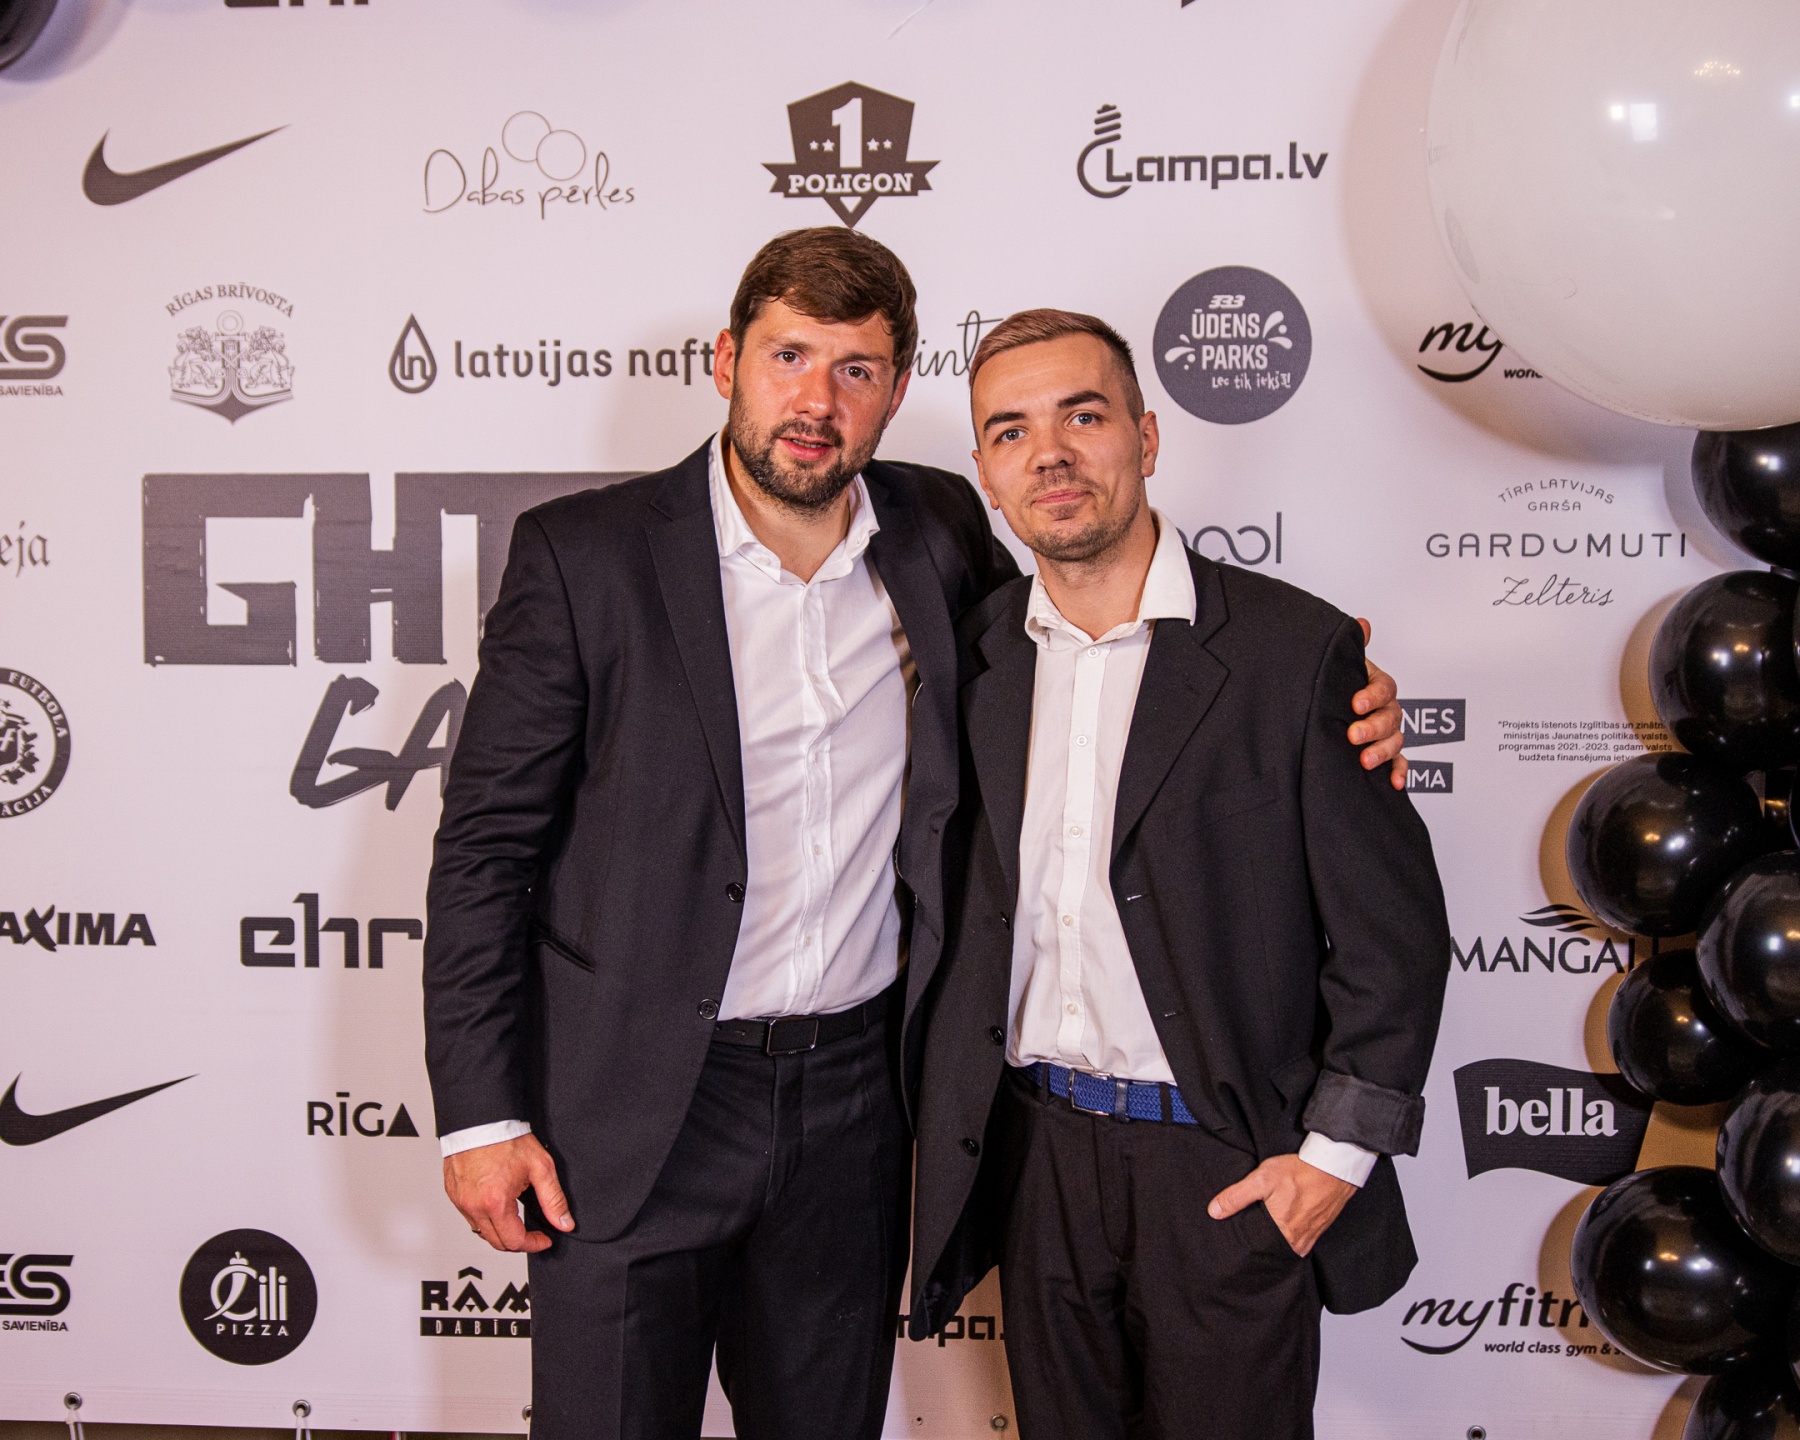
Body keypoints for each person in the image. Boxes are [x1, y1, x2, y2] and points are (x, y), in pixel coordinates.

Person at [422, 234, 1409, 1440]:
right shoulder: (585, 558)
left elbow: (1119, 639)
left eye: (856, 370)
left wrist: (1344, 696)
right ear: (727, 363)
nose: (816, 401)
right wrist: (483, 1117)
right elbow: (485, 853)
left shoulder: (938, 536)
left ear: (895, 393)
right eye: (788, 357)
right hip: (630, 1109)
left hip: (856, 1107)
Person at [908, 310, 1451, 1440]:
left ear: (1147, 437)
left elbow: (1393, 940)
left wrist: (1332, 1161)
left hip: (1225, 1161)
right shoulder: (971, 660)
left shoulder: (1294, 652)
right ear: (987, 478)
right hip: (1036, 1157)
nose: (1050, 454)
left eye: (1083, 415)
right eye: (1011, 432)